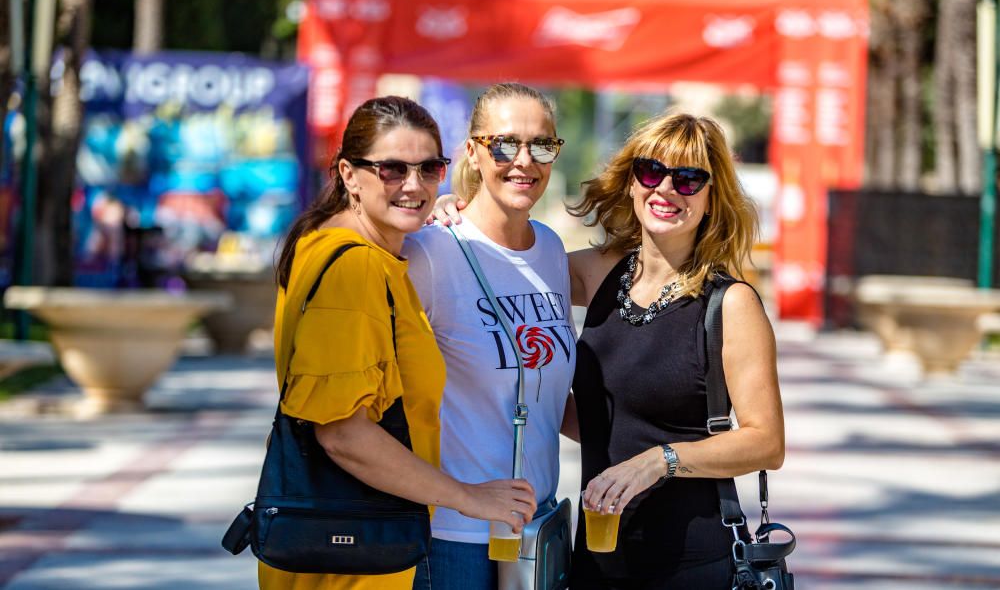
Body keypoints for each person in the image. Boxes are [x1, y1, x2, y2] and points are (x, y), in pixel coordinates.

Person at [259, 96, 536, 590]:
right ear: (349, 174)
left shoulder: (330, 244)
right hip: (358, 561)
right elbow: (344, 434)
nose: (413, 185)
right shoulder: (356, 268)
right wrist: (470, 497)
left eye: (429, 169)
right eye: (391, 169)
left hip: (352, 548)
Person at [567, 113, 785, 588]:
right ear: (630, 183)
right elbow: (505, 265)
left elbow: (766, 442)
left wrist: (660, 460)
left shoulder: (730, 303)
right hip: (596, 559)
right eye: (651, 171)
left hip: (689, 566)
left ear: (711, 199)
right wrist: (452, 210)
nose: (666, 189)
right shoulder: (599, 272)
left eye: (688, 179)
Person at [401, 83, 577, 590]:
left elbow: (547, 393)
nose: (524, 160)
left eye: (541, 145)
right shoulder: (431, 251)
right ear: (474, 152)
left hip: (535, 528)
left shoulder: (550, 248)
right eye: (504, 144)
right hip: (454, 537)